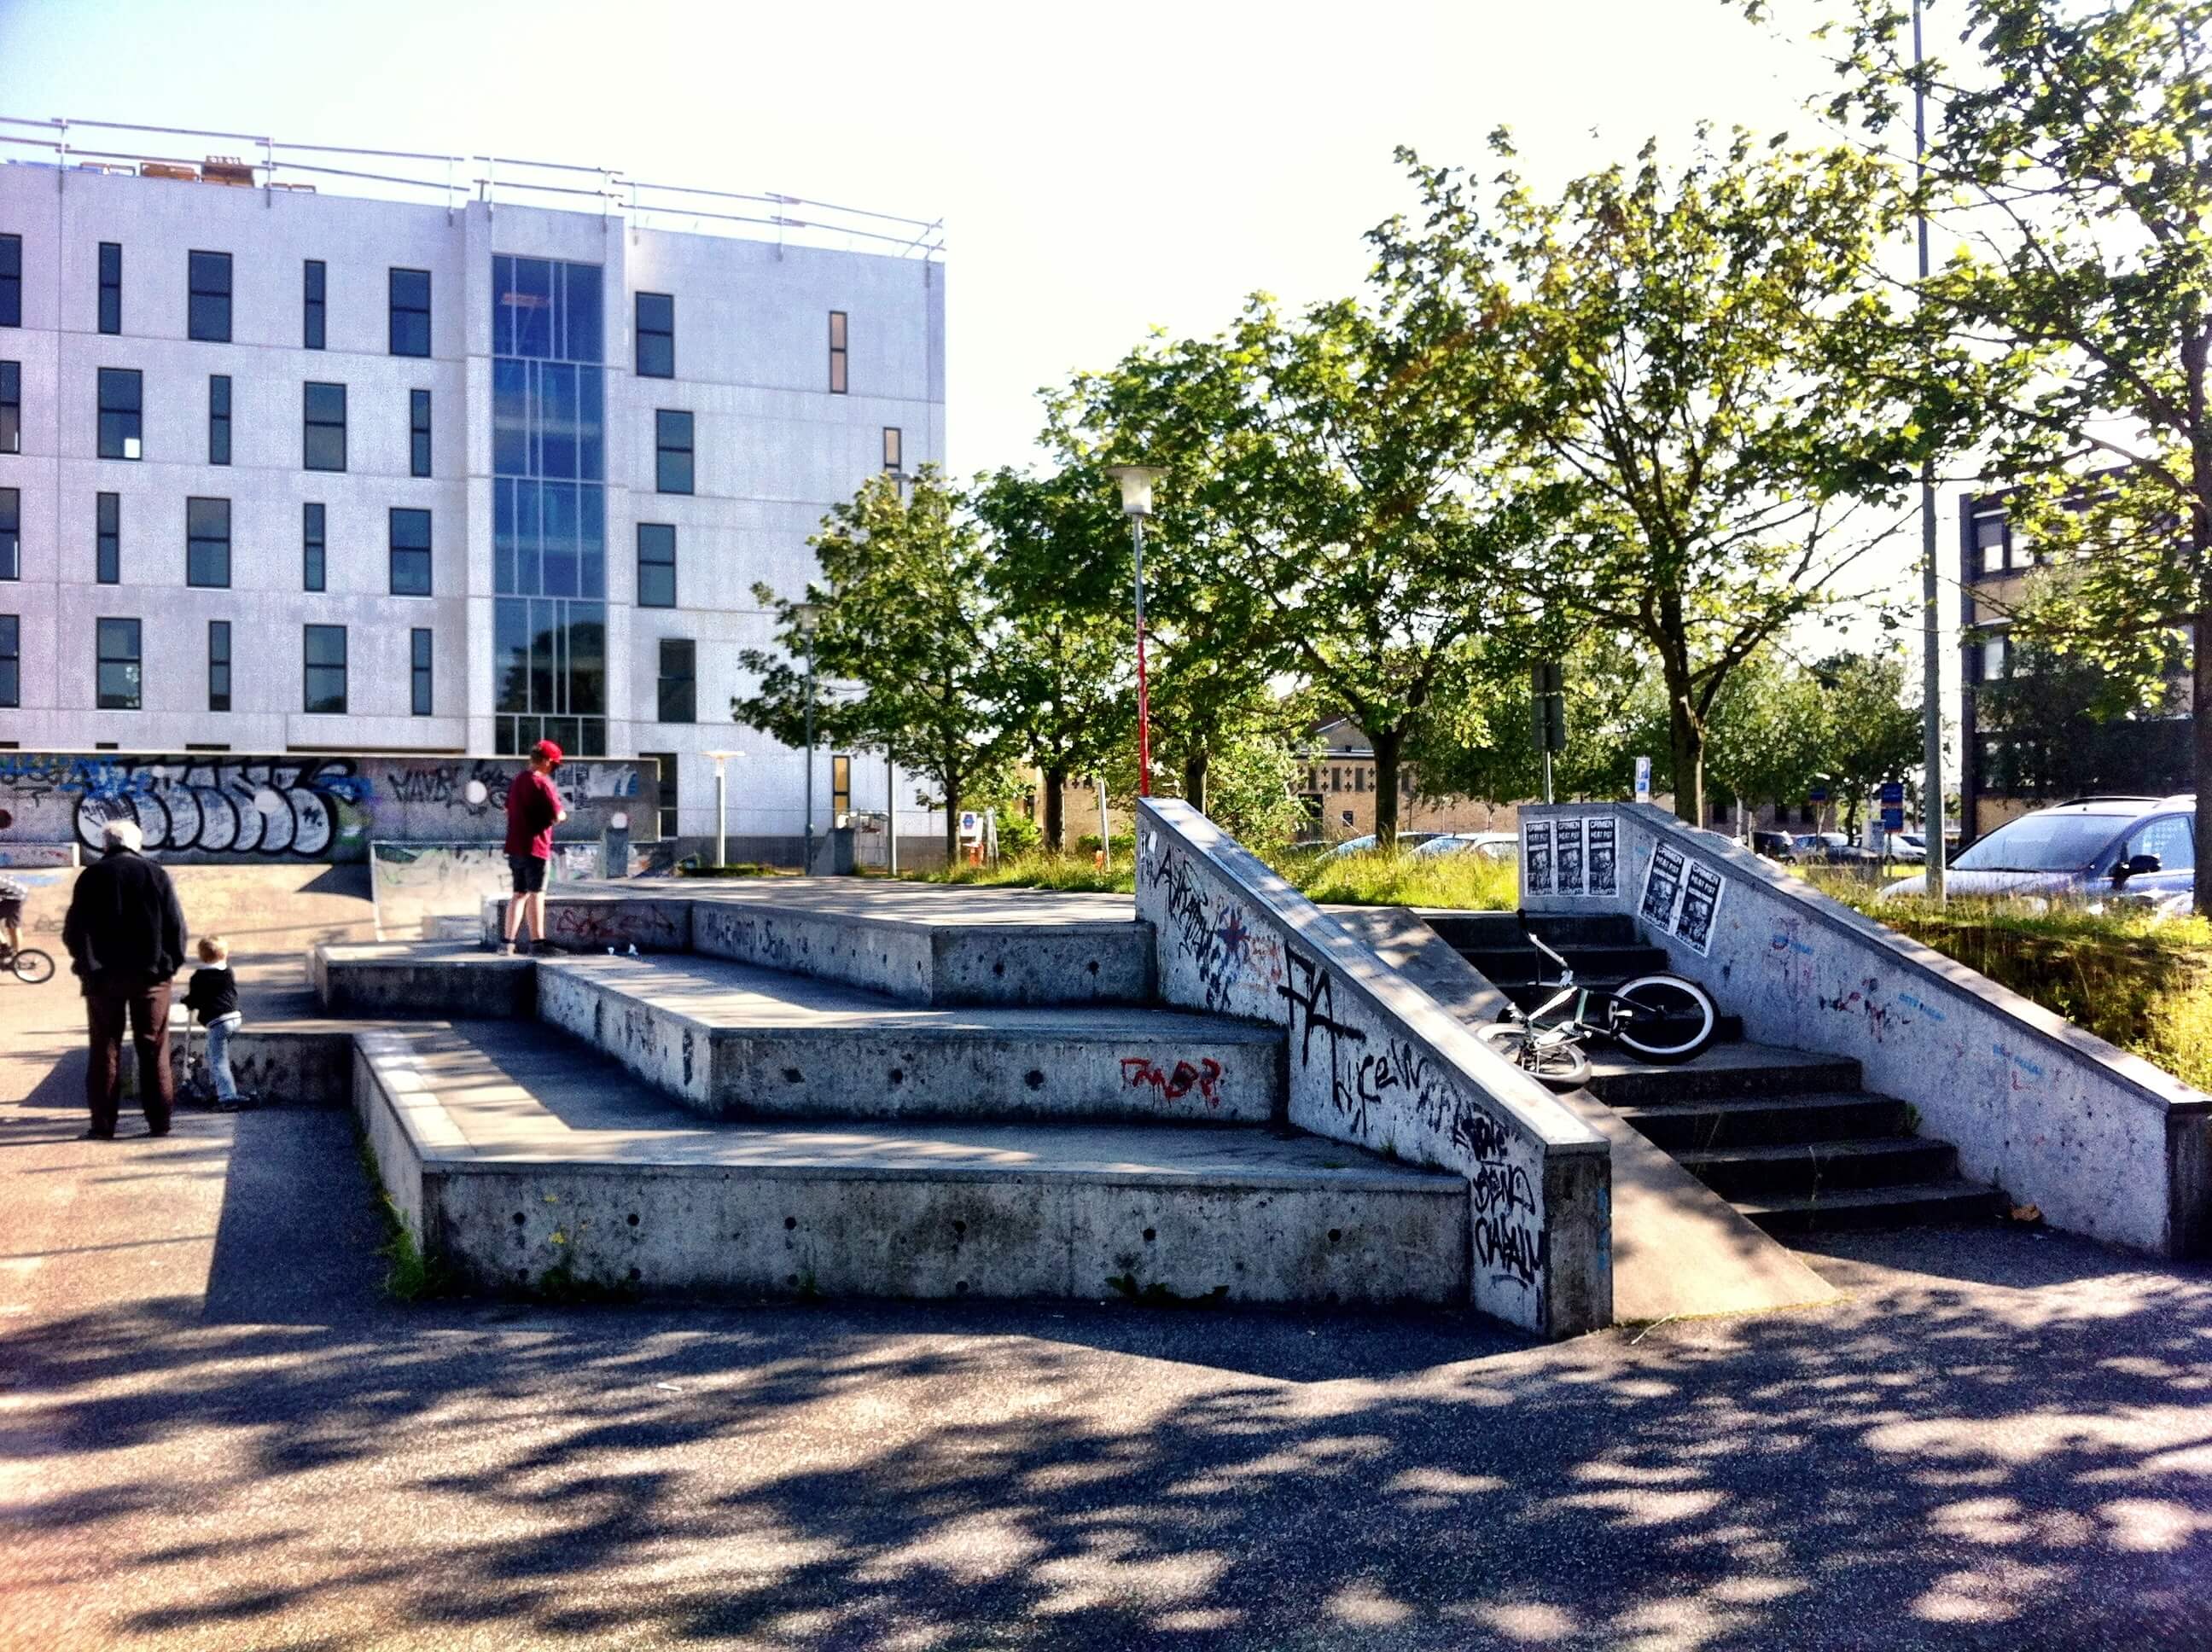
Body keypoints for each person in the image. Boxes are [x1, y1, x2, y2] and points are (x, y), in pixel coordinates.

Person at [62, 817, 187, 1140]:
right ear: (137, 843)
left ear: (105, 844)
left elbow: (73, 931)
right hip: (152, 977)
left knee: (105, 1048)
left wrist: (85, 964)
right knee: (153, 1048)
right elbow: (176, 926)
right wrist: (169, 965)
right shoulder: (156, 874)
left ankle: (103, 1126)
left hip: (103, 979)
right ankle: (160, 1124)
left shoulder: (90, 876)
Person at [502, 740, 568, 956]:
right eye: (554, 765)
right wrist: (562, 815)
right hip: (536, 847)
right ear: (547, 762)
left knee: (518, 894)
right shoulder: (542, 783)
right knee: (537, 894)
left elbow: (507, 810)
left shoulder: (518, 781)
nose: (554, 769)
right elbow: (558, 815)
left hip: (514, 846)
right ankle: (537, 943)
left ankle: (507, 944)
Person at [183, 934, 245, 1110]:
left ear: (201, 956)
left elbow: (195, 999)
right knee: (213, 1055)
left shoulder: (199, 977)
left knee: (218, 1061)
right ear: (224, 955)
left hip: (218, 1021)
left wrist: (186, 1001)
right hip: (234, 1017)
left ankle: (227, 1097)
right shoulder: (227, 972)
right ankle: (218, 1088)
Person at [0, 872, 25, 963]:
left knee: (13, 928)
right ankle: (14, 956)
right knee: (12, 928)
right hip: (16, 895)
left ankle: (13, 954)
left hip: (15, 898)